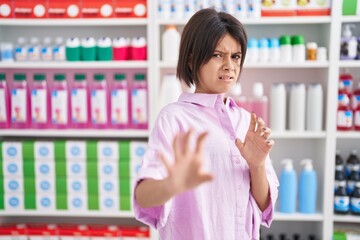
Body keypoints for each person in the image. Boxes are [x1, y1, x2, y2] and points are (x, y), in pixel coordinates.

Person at [133, 8, 279, 239]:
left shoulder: (245, 121)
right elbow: (143, 196)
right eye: (217, 55)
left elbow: (263, 204)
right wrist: (173, 184)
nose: (229, 66)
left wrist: (257, 165)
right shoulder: (174, 118)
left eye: (236, 56)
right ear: (192, 60)